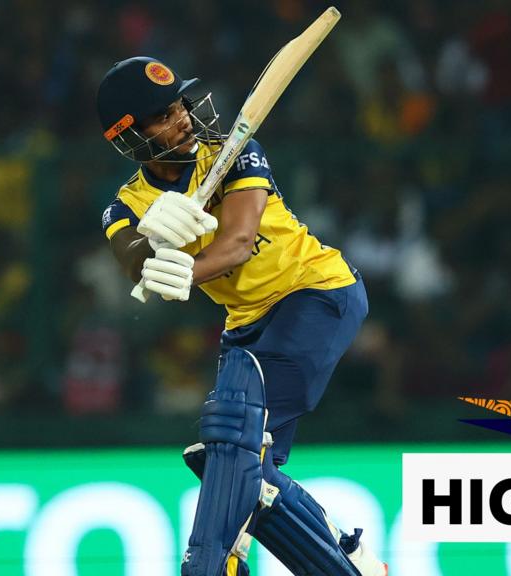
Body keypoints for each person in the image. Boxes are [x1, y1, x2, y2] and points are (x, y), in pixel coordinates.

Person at [96, 56, 386, 576]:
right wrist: (152, 242)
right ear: (128, 136)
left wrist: (186, 270)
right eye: (162, 116)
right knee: (244, 467)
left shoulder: (235, 152)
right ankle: (343, 558)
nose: (183, 118)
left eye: (180, 105)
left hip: (313, 293)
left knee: (233, 445)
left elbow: (236, 243)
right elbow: (132, 258)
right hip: (245, 325)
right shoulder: (126, 205)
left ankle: (213, 564)